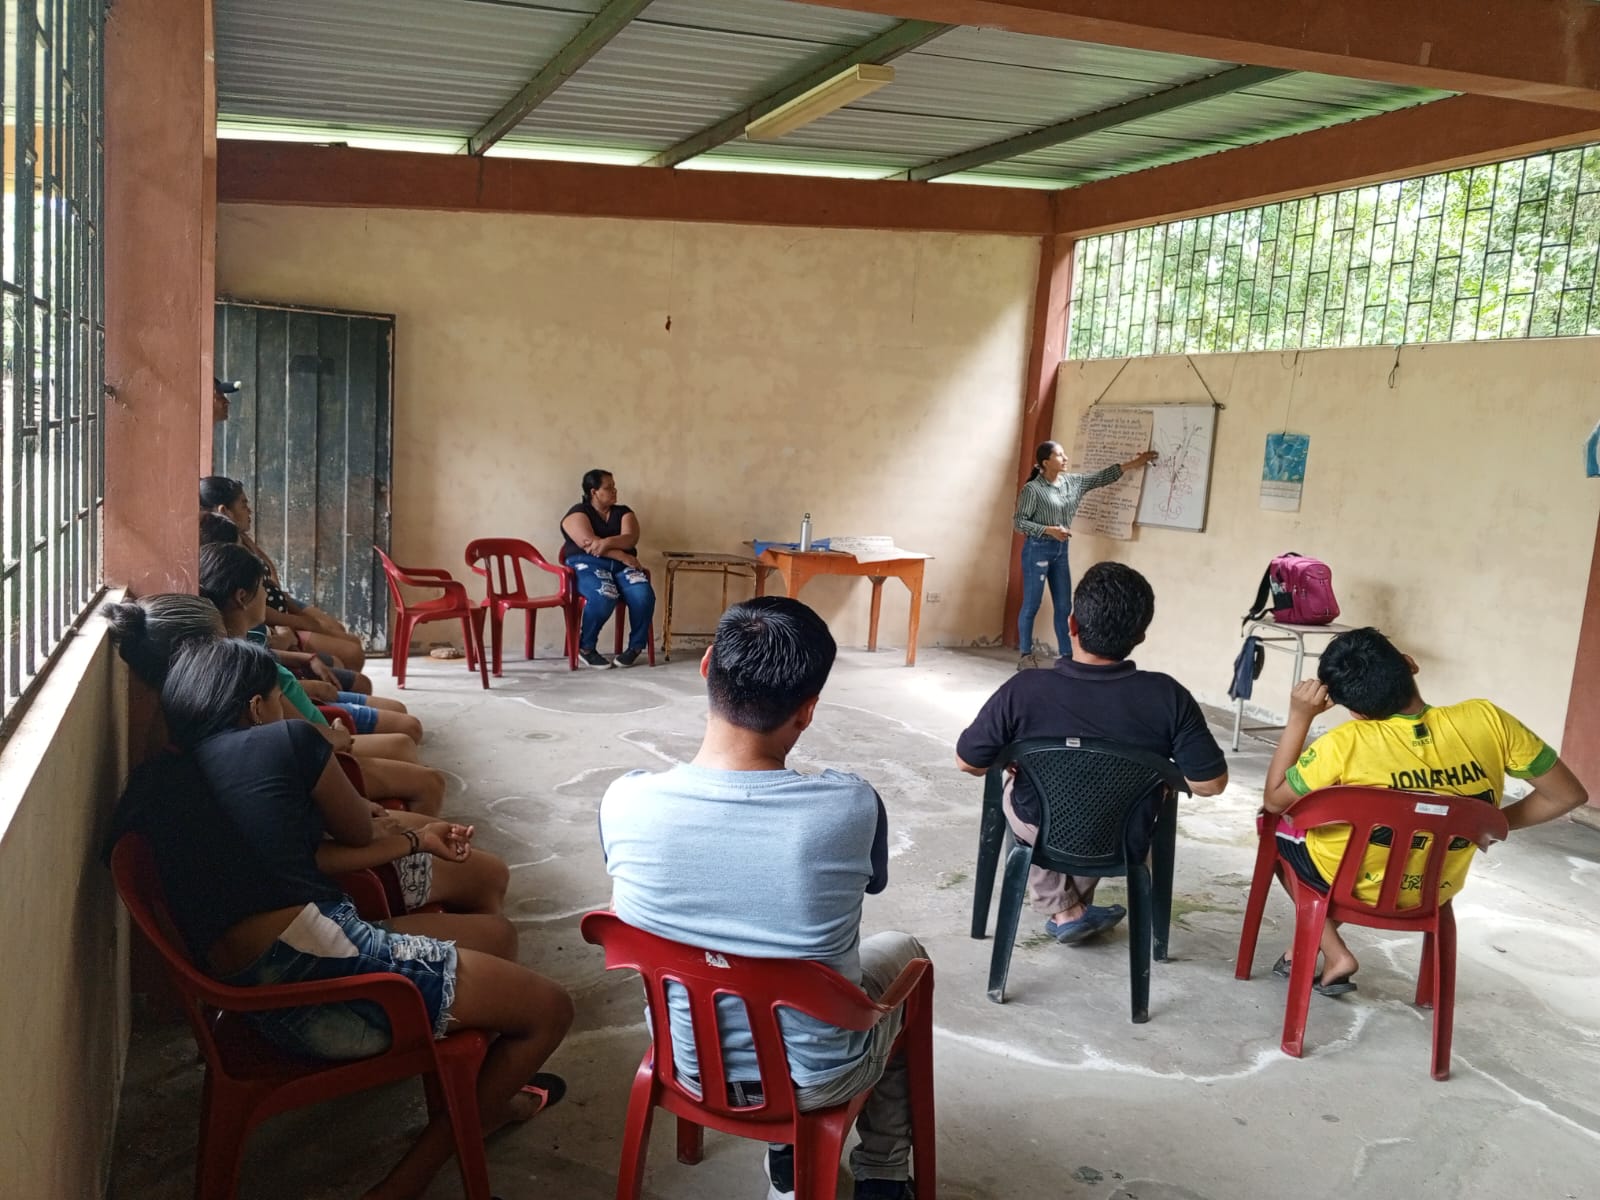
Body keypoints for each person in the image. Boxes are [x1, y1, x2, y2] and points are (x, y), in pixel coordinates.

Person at [110, 638, 572, 1200]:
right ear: (255, 707)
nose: (284, 707)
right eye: (277, 697)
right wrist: (398, 829)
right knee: (549, 1009)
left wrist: (415, 840)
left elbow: (300, 860)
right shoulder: (286, 741)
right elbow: (355, 832)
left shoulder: (166, 781)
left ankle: (481, 1098)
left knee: (495, 936)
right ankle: (410, 1179)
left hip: (248, 995)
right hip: (321, 990)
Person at [599, 597, 923, 1200]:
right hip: (816, 1080)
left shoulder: (625, 801)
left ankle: (789, 1159)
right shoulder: (851, 807)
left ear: (706, 667)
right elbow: (872, 883)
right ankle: (881, 1172)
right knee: (906, 953)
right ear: (808, 711)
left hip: (684, 1060)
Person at [104, 593, 506, 917]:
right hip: (314, 894)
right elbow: (337, 840)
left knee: (438, 832)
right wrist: (409, 840)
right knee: (486, 874)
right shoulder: (237, 730)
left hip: (295, 873)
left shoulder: (173, 736)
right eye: (222, 641)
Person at [1262, 626, 1587, 994]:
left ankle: (1335, 952)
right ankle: (1307, 948)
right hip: (1434, 888)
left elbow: (1274, 800)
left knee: (1278, 832)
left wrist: (1299, 717)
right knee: (1376, 850)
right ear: (1410, 664)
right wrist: (1482, 826)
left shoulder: (1344, 743)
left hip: (1350, 886)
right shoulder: (1488, 720)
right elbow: (1566, 795)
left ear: (1355, 711)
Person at [957, 562, 1228, 943]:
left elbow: (968, 762)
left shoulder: (1024, 690)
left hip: (1040, 824)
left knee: (1016, 786)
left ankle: (1065, 908)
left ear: (1071, 624)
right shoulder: (1168, 696)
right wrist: (1159, 777)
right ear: (1141, 635)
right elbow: (1210, 784)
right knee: (1110, 801)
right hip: (1124, 832)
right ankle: (1070, 909)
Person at [1013, 440, 1157, 669]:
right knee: (1032, 604)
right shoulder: (1033, 489)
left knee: (1064, 607)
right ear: (1046, 462)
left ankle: (1067, 657)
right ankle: (1025, 655)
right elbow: (1019, 523)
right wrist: (1048, 530)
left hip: (1061, 550)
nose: (1065, 458)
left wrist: (1136, 463)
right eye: (1059, 455)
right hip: (1037, 549)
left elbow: (1102, 477)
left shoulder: (1073, 483)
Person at [200, 475, 367, 668]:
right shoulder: (225, 551)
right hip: (272, 615)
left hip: (278, 601)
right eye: (243, 505)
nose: (249, 511)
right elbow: (259, 609)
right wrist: (297, 624)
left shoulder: (241, 539)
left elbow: (270, 576)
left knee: (339, 631)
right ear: (224, 510)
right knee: (351, 653)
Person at [560, 468, 655, 669]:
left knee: (643, 594)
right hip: (589, 564)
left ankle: (635, 647)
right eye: (608, 487)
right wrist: (621, 554)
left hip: (622, 568)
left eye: (614, 486)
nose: (614, 491)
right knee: (604, 594)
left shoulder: (624, 512)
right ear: (593, 492)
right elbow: (589, 545)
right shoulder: (577, 512)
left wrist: (606, 542)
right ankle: (586, 647)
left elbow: (630, 538)